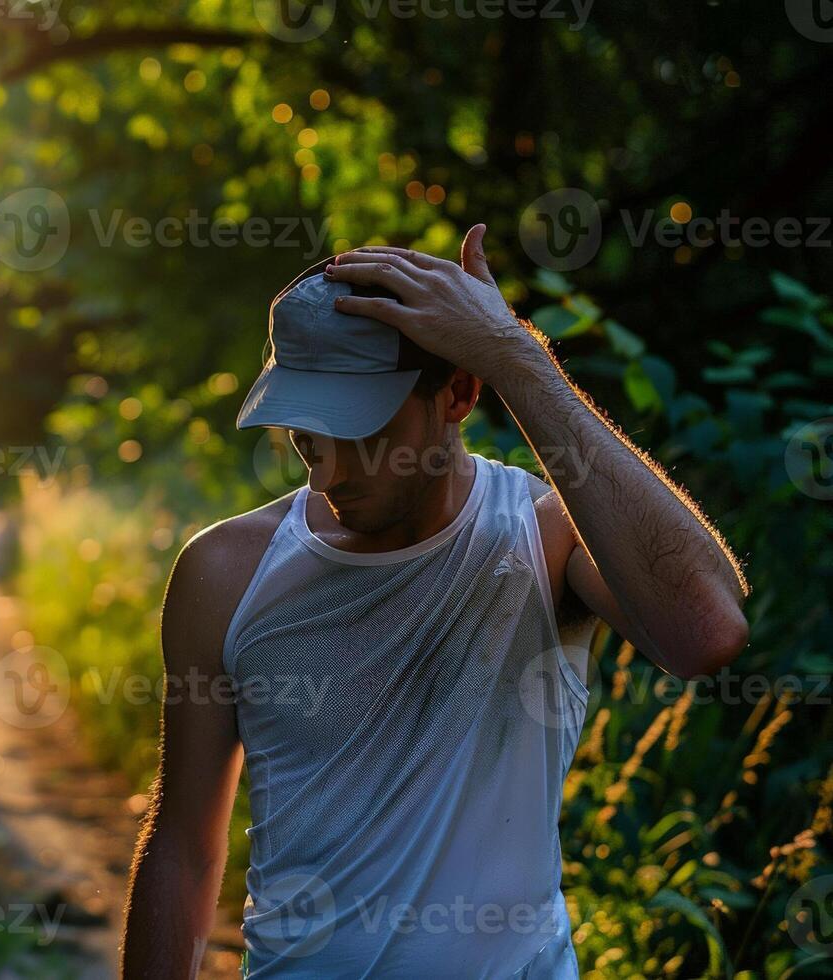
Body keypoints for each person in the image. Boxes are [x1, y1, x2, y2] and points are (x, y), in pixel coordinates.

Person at [119, 225, 749, 978]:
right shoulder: (224, 572)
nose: (327, 473)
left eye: (360, 431)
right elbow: (185, 843)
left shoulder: (543, 538)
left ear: (457, 392)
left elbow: (705, 630)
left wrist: (519, 358)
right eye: (307, 434)